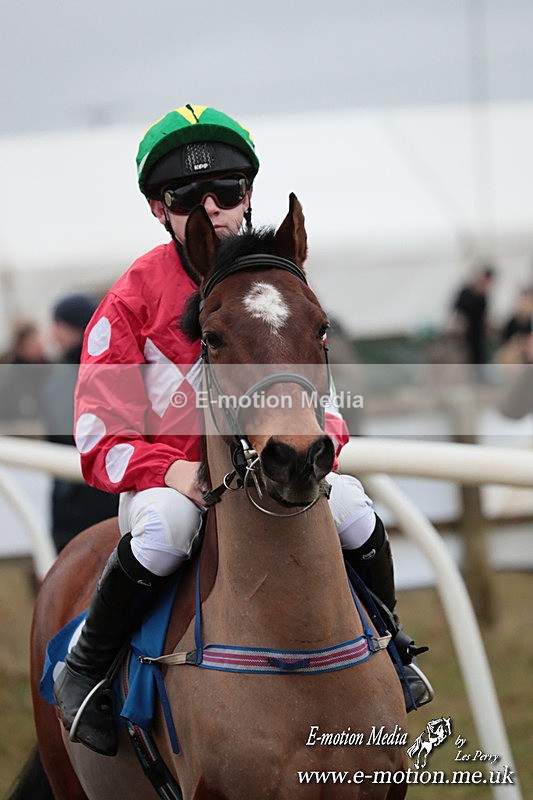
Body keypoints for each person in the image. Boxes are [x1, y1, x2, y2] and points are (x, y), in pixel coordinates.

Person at [54, 104, 433, 756]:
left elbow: (326, 404)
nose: (210, 208)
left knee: (352, 506)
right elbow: (95, 435)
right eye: (186, 196)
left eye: (227, 191)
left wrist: (317, 446)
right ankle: (85, 670)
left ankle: (391, 647)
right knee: (168, 526)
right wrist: (169, 470)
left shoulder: (279, 286)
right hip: (172, 482)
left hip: (275, 474)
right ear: (156, 207)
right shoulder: (128, 301)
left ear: (248, 195)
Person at [40, 293, 119, 553]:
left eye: (58, 325)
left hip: (79, 502)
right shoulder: (113, 367)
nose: (53, 335)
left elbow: (65, 435)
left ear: (74, 327)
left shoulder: (66, 377)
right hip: (105, 495)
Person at [450, 264, 496, 379]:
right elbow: (456, 313)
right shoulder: (465, 293)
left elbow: (484, 318)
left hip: (477, 337)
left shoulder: (483, 298)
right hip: (462, 338)